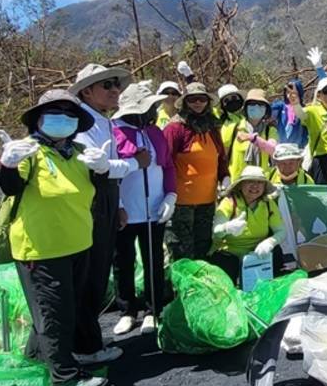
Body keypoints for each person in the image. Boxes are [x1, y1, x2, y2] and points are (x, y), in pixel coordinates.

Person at [0, 89, 109, 386]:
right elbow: (11, 188)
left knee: (62, 308)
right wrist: (7, 165)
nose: (63, 119)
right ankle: (64, 376)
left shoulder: (76, 154)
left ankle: (37, 358)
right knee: (52, 313)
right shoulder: (29, 152)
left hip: (77, 244)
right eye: (55, 113)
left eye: (70, 114)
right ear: (38, 119)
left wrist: (101, 170)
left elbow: (89, 192)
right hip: (42, 248)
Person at [71, 63, 143, 365]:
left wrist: (121, 206)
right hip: (92, 203)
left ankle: (88, 340)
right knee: (89, 275)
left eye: (116, 85)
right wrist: (136, 164)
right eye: (107, 86)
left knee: (98, 273)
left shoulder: (102, 120)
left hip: (108, 201)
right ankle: (85, 347)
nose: (115, 91)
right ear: (87, 91)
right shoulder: (83, 123)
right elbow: (97, 166)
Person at [110, 83, 176, 336]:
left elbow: (168, 166)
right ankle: (127, 310)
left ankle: (153, 309)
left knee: (153, 259)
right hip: (127, 209)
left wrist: (171, 194)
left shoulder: (155, 132)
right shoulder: (114, 132)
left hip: (155, 207)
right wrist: (118, 205)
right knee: (122, 260)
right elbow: (111, 172)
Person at [163, 83, 228, 261]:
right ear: (185, 102)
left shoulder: (213, 127)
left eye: (202, 99)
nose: (198, 103)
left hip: (207, 201)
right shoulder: (175, 128)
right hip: (181, 202)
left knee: (203, 247)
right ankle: (180, 288)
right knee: (182, 251)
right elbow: (165, 161)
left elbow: (220, 156)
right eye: (192, 99)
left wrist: (225, 176)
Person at [211, 166, 285, 286]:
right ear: (241, 185)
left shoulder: (268, 204)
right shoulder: (229, 202)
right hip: (230, 255)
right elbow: (216, 231)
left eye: (259, 182)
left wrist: (270, 242)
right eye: (250, 181)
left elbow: (281, 231)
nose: (255, 186)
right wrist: (226, 228)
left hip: (258, 254)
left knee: (276, 252)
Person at [228, 88, 279, 182]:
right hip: (237, 183)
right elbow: (222, 154)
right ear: (246, 107)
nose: (256, 106)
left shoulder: (270, 131)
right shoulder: (234, 128)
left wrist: (253, 138)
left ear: (266, 109)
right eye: (252, 103)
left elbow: (274, 150)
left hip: (261, 184)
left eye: (260, 104)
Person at [302, 76, 327, 184]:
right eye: (326, 91)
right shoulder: (312, 111)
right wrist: (295, 104)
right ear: (319, 95)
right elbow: (300, 115)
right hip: (320, 160)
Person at [216, 83, 245, 162]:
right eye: (226, 100)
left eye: (234, 97)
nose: (231, 101)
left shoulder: (250, 115)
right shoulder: (221, 122)